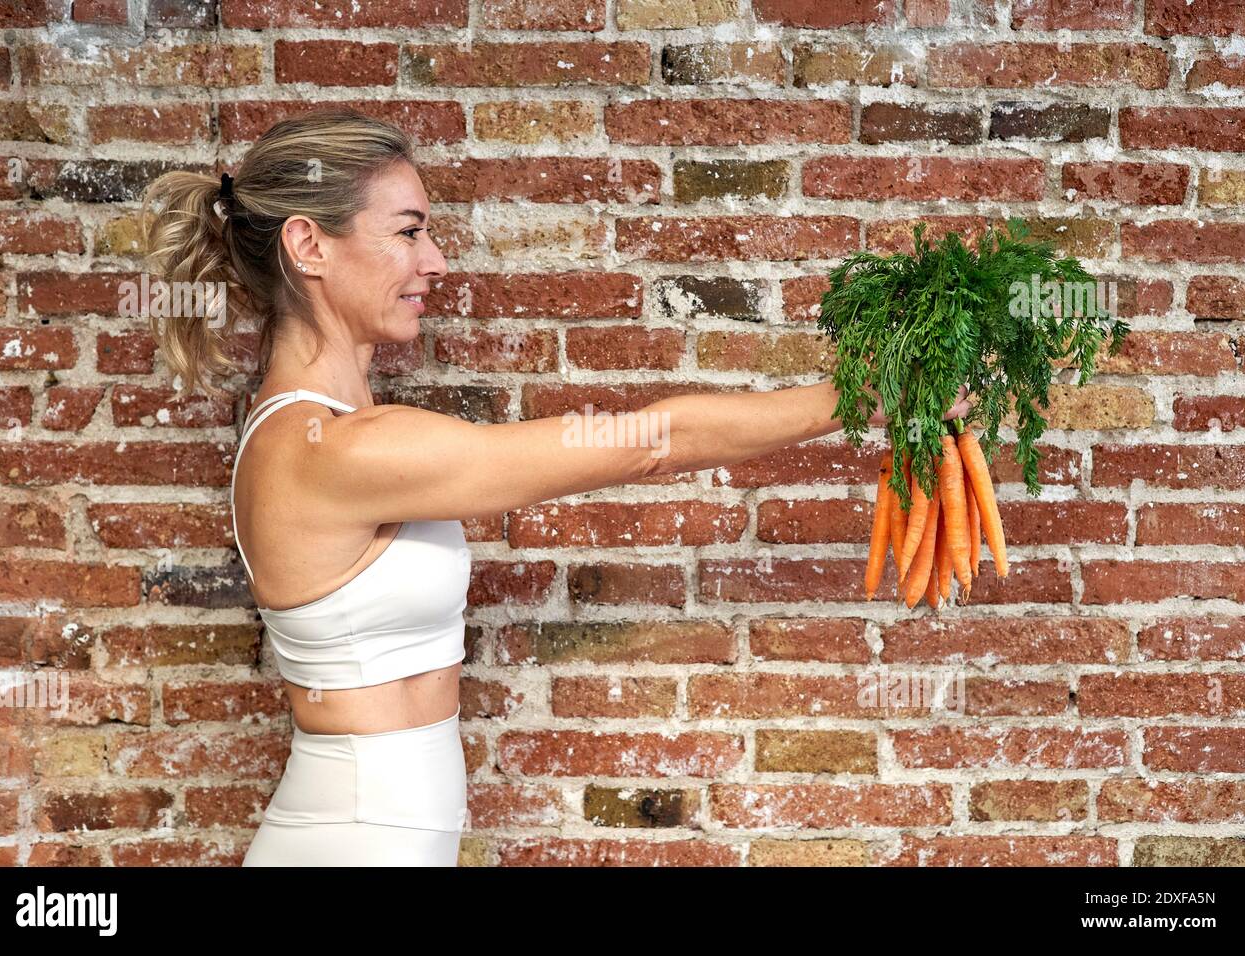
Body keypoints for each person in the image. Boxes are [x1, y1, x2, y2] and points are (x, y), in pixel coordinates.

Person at [139, 107, 971, 866]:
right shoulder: (333, 450)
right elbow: (653, 445)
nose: (435, 259)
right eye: (407, 232)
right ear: (308, 246)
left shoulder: (333, 431)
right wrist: (865, 394)